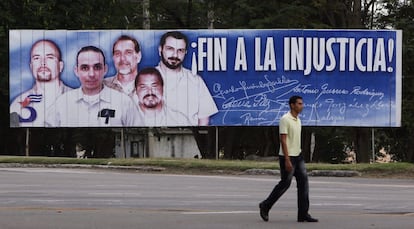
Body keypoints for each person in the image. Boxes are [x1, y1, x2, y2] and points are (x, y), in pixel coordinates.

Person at [46, 46, 142, 127]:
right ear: (76, 71)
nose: (91, 74)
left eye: (97, 67)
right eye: (85, 68)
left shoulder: (124, 102)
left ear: (105, 69)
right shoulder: (62, 103)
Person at [259, 96, 318, 223]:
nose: (302, 106)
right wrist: (287, 159)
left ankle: (303, 213)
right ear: (292, 105)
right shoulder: (285, 119)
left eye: (302, 103)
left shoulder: (298, 120)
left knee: (303, 184)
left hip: (298, 155)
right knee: (285, 184)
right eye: (299, 104)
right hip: (288, 156)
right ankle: (265, 205)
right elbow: (283, 140)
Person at [156, 31, 218, 126]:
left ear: (186, 52)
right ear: (160, 49)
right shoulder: (145, 78)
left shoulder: (195, 81)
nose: (175, 55)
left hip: (190, 135)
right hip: (153, 134)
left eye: (180, 50)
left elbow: (204, 118)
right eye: (170, 49)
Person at [10, 39, 72, 127]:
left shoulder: (77, 99)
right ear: (31, 66)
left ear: (60, 66)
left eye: (50, 57)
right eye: (36, 58)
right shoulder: (17, 104)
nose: (43, 63)